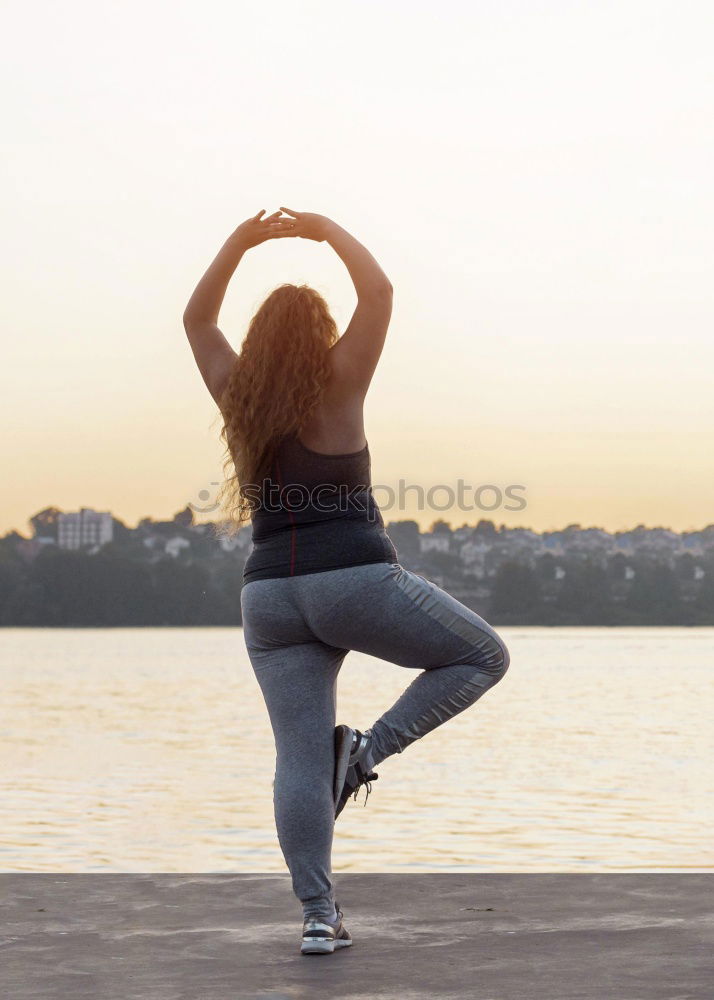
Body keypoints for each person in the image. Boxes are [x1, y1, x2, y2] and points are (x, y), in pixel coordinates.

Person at [183, 207, 511, 956]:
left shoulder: (236, 393)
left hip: (268, 598)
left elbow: (197, 318)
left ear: (260, 342)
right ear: (319, 334)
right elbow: (381, 291)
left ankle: (318, 917)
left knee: (297, 759)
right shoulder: (340, 376)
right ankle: (363, 754)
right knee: (483, 655)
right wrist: (326, 230)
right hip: (353, 579)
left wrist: (241, 241)